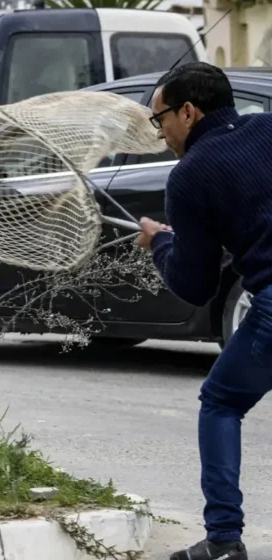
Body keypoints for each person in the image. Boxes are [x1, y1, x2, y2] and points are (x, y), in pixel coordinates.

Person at [135, 61, 272, 560]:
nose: (160, 131)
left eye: (161, 118)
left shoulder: (190, 175)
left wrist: (159, 245)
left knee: (221, 403)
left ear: (189, 112)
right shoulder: (268, 126)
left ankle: (223, 541)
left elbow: (195, 286)